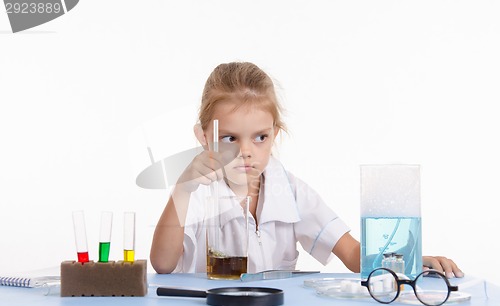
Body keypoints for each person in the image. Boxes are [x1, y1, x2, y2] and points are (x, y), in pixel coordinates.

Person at [150, 62, 464, 279]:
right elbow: (163, 264)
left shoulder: (288, 190)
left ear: (275, 132)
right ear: (204, 138)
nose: (246, 151)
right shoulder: (198, 194)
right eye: (230, 138)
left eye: (260, 137)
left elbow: (353, 256)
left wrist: (408, 262)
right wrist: (182, 188)